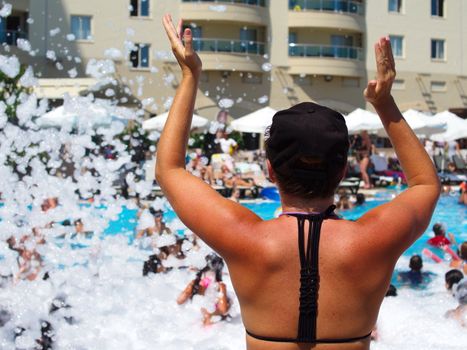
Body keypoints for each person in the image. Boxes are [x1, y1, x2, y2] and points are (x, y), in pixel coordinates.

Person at [157, 18, 440, 349]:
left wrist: (190, 75)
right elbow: (425, 184)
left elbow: (169, 170)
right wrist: (383, 103)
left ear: (270, 170)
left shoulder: (244, 238)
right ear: (342, 172)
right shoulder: (372, 240)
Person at [177, 253, 231, 325]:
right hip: (197, 326)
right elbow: (180, 301)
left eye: (212, 272)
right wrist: (195, 286)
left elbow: (223, 311)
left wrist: (222, 288)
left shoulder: (219, 287)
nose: (209, 276)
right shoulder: (195, 284)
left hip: (214, 326)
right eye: (208, 271)